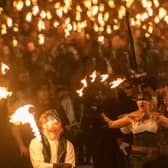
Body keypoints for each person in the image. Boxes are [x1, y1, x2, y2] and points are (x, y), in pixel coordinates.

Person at [101, 90, 168, 168]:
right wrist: (101, 114)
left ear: (150, 102)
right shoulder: (131, 117)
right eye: (139, 100)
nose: (141, 102)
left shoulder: (157, 117)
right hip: (137, 156)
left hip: (154, 155)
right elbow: (111, 124)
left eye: (144, 100)